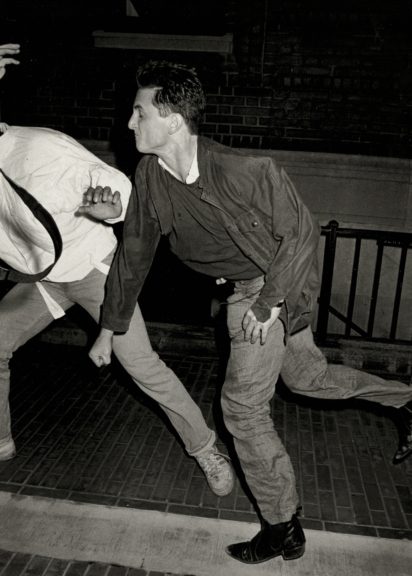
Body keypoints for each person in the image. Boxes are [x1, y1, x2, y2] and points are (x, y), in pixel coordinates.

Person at [87, 60, 412, 564]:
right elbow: (134, 253)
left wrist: (266, 305)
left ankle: (282, 526)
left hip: (273, 282)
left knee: (241, 408)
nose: (129, 123)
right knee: (307, 378)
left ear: (173, 120)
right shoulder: (150, 176)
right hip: (251, 284)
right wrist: (111, 326)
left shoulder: (245, 170)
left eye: (139, 112)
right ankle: (407, 400)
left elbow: (300, 234)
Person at [0, 123, 235, 498]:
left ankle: (206, 449)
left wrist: (113, 208)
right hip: (43, 278)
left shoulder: (37, 147)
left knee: (141, 364)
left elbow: (112, 183)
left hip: (92, 265)